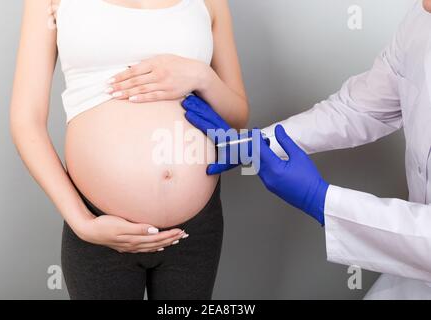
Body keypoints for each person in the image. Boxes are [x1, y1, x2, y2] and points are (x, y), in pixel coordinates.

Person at [182, 0, 431, 299]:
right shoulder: (421, 20)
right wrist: (262, 143)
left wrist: (320, 199)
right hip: (414, 277)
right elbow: (360, 109)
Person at [10, 0, 248, 300]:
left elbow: (237, 117)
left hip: (195, 229)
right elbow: (26, 121)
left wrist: (201, 76)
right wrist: (82, 222)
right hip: (100, 226)